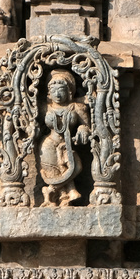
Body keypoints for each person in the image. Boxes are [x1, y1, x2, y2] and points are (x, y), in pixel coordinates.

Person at [38, 70, 90, 207]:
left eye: (61, 90)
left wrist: (82, 129)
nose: (57, 94)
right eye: (53, 90)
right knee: (54, 172)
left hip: (66, 144)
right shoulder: (44, 108)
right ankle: (63, 197)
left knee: (76, 167)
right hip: (48, 145)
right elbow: (33, 123)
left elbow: (86, 126)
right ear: (49, 93)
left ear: (69, 91)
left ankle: (49, 190)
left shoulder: (77, 108)